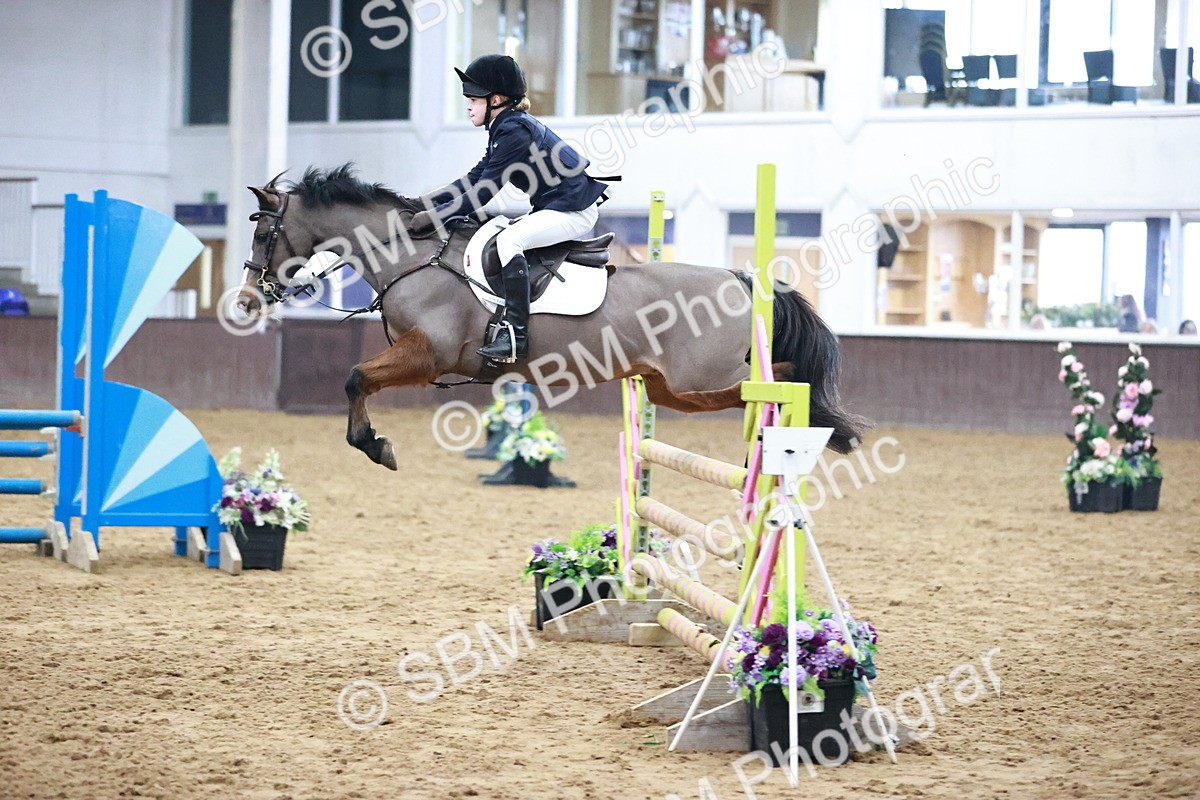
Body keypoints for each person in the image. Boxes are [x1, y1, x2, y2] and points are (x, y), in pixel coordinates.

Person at [408, 54, 610, 364]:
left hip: (574, 211)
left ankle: (516, 335)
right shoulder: (504, 128)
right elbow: (474, 178)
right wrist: (424, 202)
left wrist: (434, 217)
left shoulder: (514, 132)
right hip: (559, 206)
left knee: (509, 240)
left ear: (496, 100)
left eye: (474, 99)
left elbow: (483, 193)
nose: (468, 106)